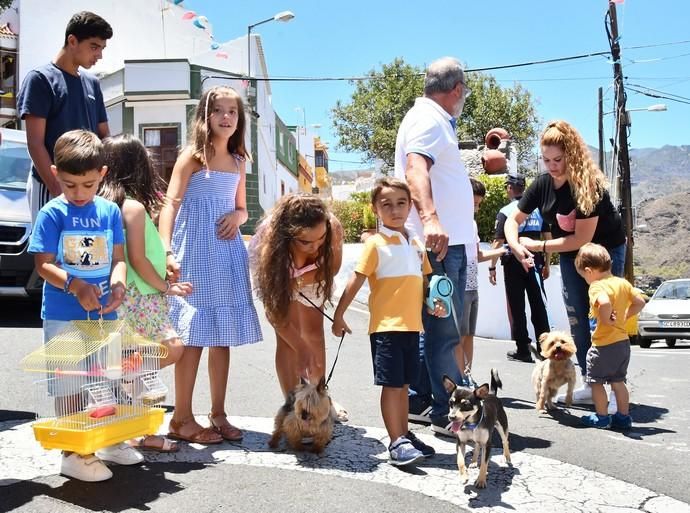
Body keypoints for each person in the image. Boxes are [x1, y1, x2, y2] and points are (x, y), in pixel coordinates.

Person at [27, 129, 142, 482]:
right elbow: (42, 263)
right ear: (56, 174)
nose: (78, 193)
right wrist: (75, 285)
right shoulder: (52, 213)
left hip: (106, 313)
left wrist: (119, 283)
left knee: (108, 378)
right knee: (70, 385)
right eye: (69, 184)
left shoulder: (109, 212)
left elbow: (119, 258)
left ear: (102, 176)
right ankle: (73, 451)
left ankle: (107, 440)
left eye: (88, 185)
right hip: (64, 314)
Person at [158, 86, 262, 445]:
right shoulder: (192, 156)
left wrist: (238, 214)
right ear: (205, 116)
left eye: (232, 112)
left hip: (226, 252)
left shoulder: (238, 159)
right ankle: (181, 418)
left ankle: (218, 413)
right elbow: (170, 204)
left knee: (223, 337)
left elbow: (243, 208)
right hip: (194, 251)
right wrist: (165, 251)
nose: (226, 117)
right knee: (192, 338)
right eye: (218, 110)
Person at [504, 120, 626, 407]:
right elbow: (513, 220)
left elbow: (581, 239)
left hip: (603, 254)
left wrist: (538, 245)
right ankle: (590, 379)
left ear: (571, 154)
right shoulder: (543, 183)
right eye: (546, 160)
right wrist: (516, 246)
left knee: (603, 315)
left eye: (558, 159)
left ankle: (612, 381)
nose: (552, 166)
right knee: (577, 317)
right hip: (571, 256)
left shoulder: (588, 185)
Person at [331, 178, 442, 465]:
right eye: (387, 204)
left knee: (404, 385)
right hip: (386, 328)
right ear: (375, 209)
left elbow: (425, 282)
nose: (395, 210)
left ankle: (404, 433)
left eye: (401, 203)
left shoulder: (416, 243)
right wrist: (339, 314)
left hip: (412, 328)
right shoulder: (375, 244)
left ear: (411, 206)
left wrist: (435, 303)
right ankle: (396, 442)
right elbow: (356, 279)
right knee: (392, 385)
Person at [394, 56, 475, 437]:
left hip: (447, 245)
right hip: (440, 247)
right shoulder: (428, 119)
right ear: (456, 90)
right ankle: (448, 415)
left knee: (443, 331)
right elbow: (415, 168)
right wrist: (430, 219)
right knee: (444, 333)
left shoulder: (434, 119)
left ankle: (428, 400)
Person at [99, 134, 192, 452]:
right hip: (142, 298)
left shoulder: (108, 205)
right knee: (164, 354)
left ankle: (129, 418)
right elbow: (137, 259)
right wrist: (167, 286)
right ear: (139, 167)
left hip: (127, 297)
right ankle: (139, 424)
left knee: (138, 362)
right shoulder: (133, 208)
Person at [250, 194, 347, 421]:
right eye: (306, 242)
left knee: (313, 334)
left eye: (320, 239)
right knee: (288, 342)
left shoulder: (331, 227)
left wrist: (307, 276)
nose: (315, 247)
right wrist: (299, 347)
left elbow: (332, 268)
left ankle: (319, 400)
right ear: (288, 235)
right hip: (281, 274)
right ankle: (293, 405)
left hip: (315, 274)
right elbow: (274, 313)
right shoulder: (269, 246)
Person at [17, 11, 112, 222]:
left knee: (85, 251)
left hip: (89, 191)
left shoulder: (92, 83)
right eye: (94, 47)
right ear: (72, 41)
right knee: (50, 252)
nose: (99, 55)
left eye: (102, 49)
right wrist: (59, 190)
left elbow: (104, 136)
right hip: (49, 187)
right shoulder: (40, 79)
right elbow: (35, 143)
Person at [575, 243, 645, 429]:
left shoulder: (597, 286)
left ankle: (602, 417)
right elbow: (640, 301)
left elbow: (604, 302)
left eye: (583, 276)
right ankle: (623, 417)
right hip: (622, 344)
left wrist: (607, 319)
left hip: (603, 344)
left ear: (589, 271)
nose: (585, 280)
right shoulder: (622, 282)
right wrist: (624, 316)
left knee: (596, 383)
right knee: (618, 382)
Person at [490, 174, 550, 363]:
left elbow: (498, 241)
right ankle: (545, 348)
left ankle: (523, 349)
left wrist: (491, 267)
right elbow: (548, 237)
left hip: (512, 262)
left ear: (509, 188)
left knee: (517, 307)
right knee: (538, 305)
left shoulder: (506, 210)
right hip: (535, 260)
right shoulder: (538, 210)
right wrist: (547, 264)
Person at [456, 178, 507, 377]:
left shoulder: (472, 225)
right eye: (473, 203)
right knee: (459, 336)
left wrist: (503, 251)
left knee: (469, 334)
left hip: (472, 286)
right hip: (460, 286)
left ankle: (467, 375)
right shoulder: (454, 224)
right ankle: (459, 377)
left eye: (478, 204)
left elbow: (476, 256)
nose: (475, 208)